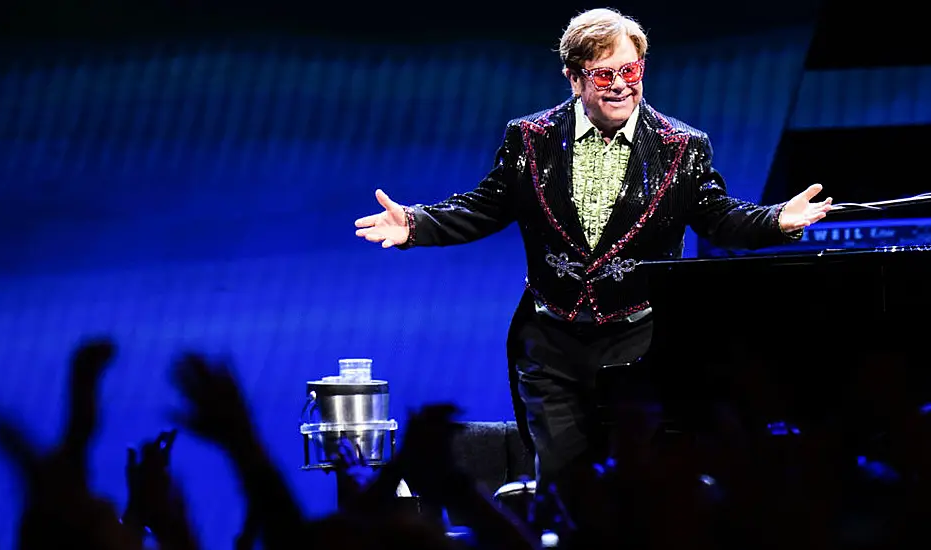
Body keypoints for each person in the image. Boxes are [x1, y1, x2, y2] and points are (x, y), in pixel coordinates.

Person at [354, 6, 832, 524]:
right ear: (575, 76)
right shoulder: (529, 139)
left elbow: (718, 215)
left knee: (642, 489)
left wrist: (776, 220)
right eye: (606, 74)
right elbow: (485, 205)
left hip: (639, 347)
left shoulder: (682, 148)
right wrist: (416, 226)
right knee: (565, 491)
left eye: (631, 70)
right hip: (550, 346)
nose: (622, 85)